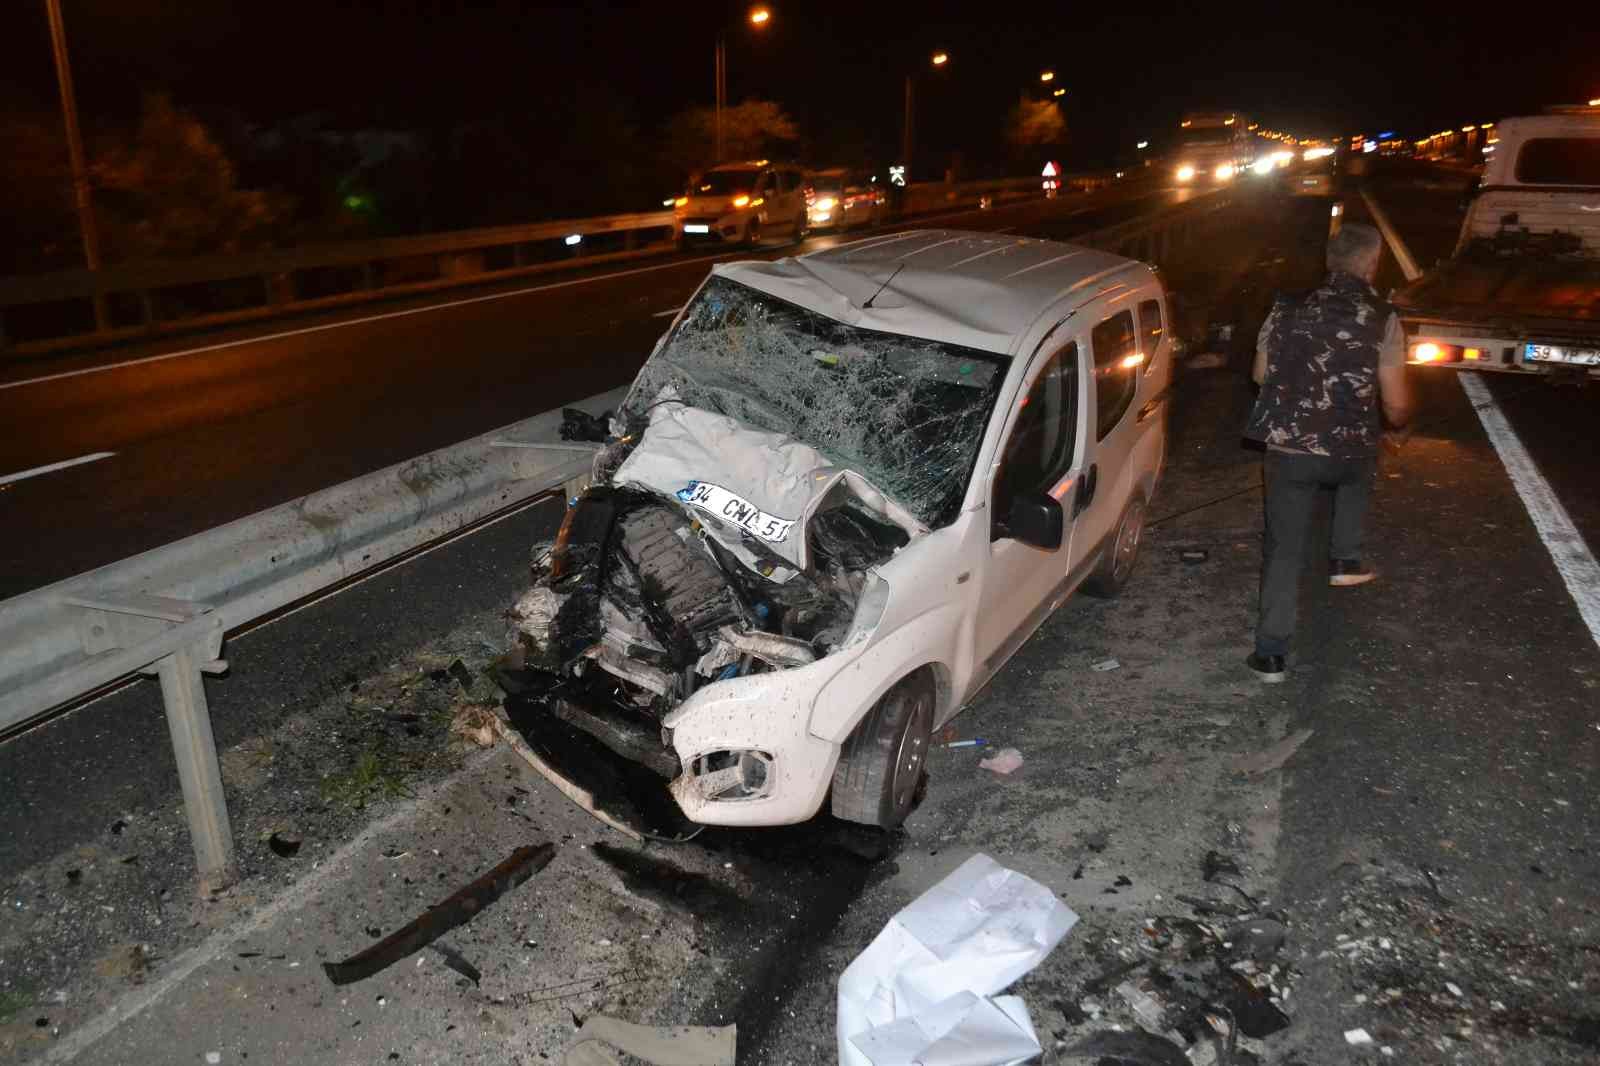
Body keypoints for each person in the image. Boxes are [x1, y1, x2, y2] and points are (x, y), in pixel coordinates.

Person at [1242, 223, 1413, 682]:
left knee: (1283, 550)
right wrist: (1397, 423)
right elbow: (1395, 402)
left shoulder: (1285, 308)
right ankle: (1345, 557)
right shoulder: (1383, 316)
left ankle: (1271, 655)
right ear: (1373, 263)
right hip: (1349, 450)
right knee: (1362, 466)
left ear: (1328, 261)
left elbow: (1261, 375)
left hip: (1290, 449)